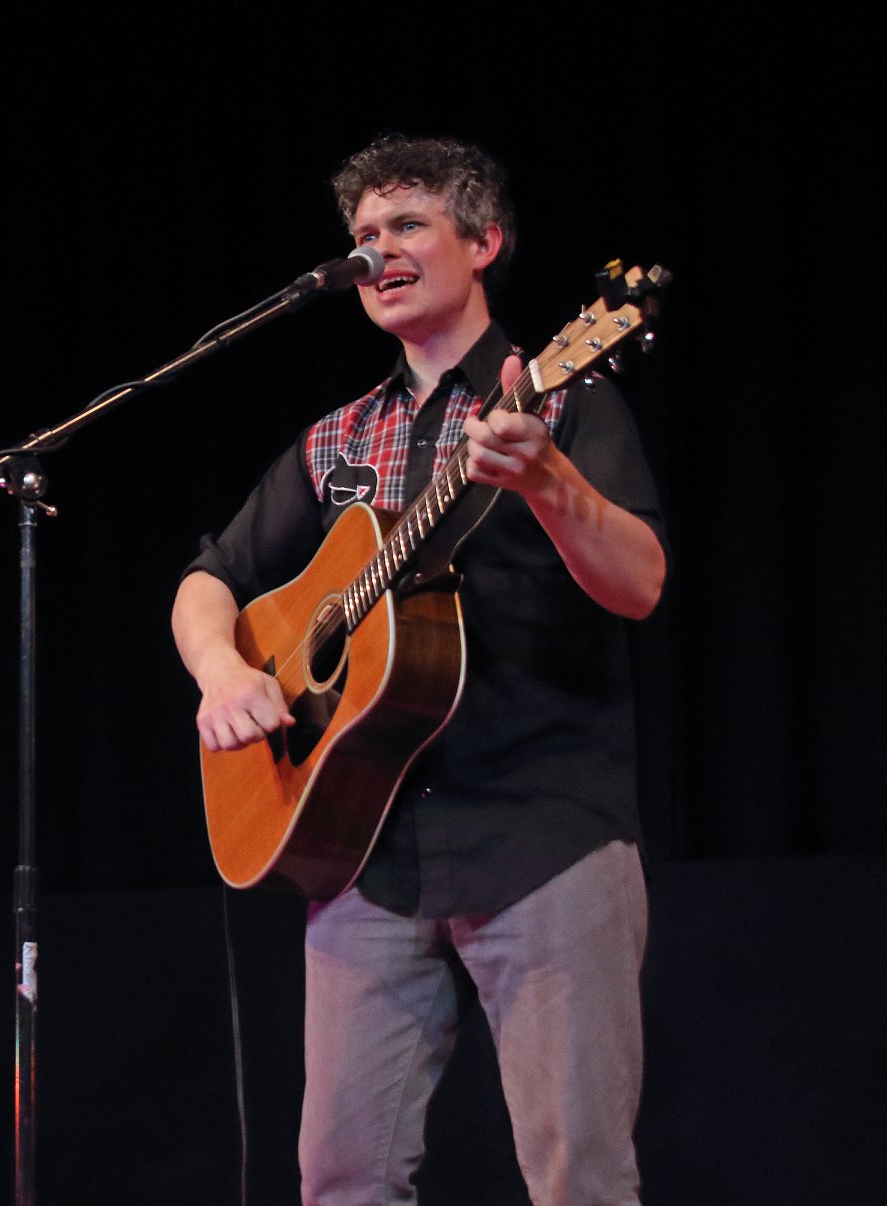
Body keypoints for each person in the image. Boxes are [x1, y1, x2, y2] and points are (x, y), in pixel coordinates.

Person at [171, 136, 666, 1205]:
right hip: (367, 856)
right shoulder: (336, 440)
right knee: (339, 1179)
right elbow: (210, 580)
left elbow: (641, 585)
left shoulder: (561, 397)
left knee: (579, 1176)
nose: (376, 253)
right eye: (360, 238)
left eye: (407, 227)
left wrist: (552, 486)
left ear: (485, 243)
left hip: (544, 829)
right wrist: (221, 670)